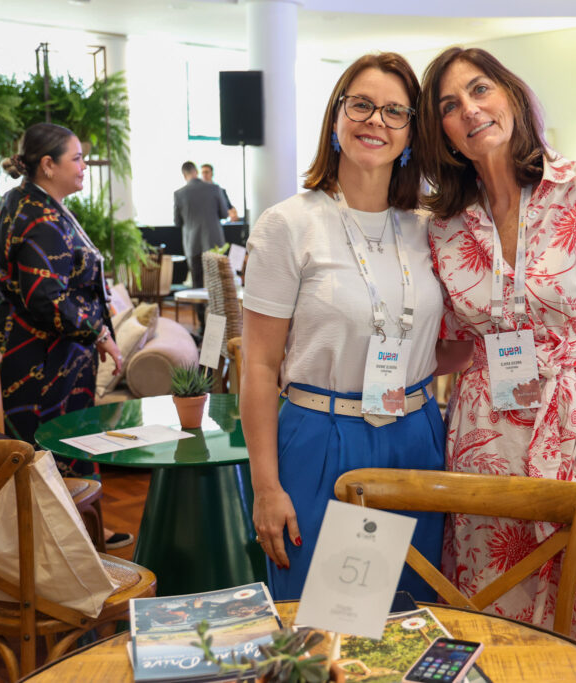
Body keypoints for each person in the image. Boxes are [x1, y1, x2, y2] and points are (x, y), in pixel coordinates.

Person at [417, 48, 576, 681]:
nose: (469, 110)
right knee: (496, 606)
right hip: (483, 437)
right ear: (440, 129)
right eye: (449, 105)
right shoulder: (443, 224)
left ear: (511, 94)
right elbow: (452, 342)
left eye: (479, 90)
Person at [241, 53, 446, 600]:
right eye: (361, 105)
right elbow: (258, 365)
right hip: (323, 437)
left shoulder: (430, 228)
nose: (375, 121)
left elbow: (441, 342)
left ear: (411, 132)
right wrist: (265, 486)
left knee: (412, 618)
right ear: (336, 117)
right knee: (329, 627)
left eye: (395, 112)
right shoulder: (289, 224)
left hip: (417, 435)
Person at [0, 122, 132, 549]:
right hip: (39, 361)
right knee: (52, 448)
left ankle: (83, 532)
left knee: (62, 447)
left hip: (41, 352)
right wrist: (99, 330)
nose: (84, 166)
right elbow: (45, 299)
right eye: (76, 158)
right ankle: (60, 546)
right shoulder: (38, 216)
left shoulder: (30, 201)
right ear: (48, 165)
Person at [174, 161, 227, 290]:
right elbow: (224, 214)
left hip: (193, 244)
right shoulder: (215, 189)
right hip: (214, 242)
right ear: (196, 172)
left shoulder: (179, 194)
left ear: (184, 174)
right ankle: (216, 310)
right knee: (216, 281)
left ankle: (200, 310)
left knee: (197, 282)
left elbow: (177, 222)